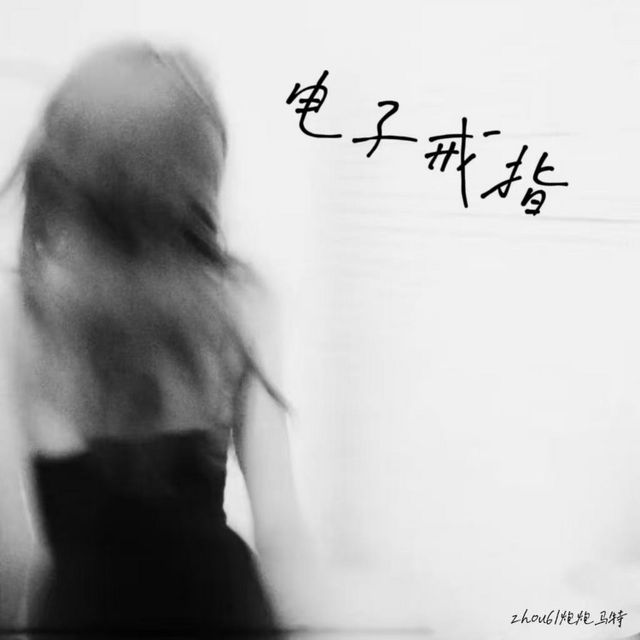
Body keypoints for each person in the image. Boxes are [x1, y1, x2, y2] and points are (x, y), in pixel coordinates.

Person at [8, 41, 306, 636]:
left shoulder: (24, 314)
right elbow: (284, 546)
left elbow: (14, 560)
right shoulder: (240, 303)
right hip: (227, 612)